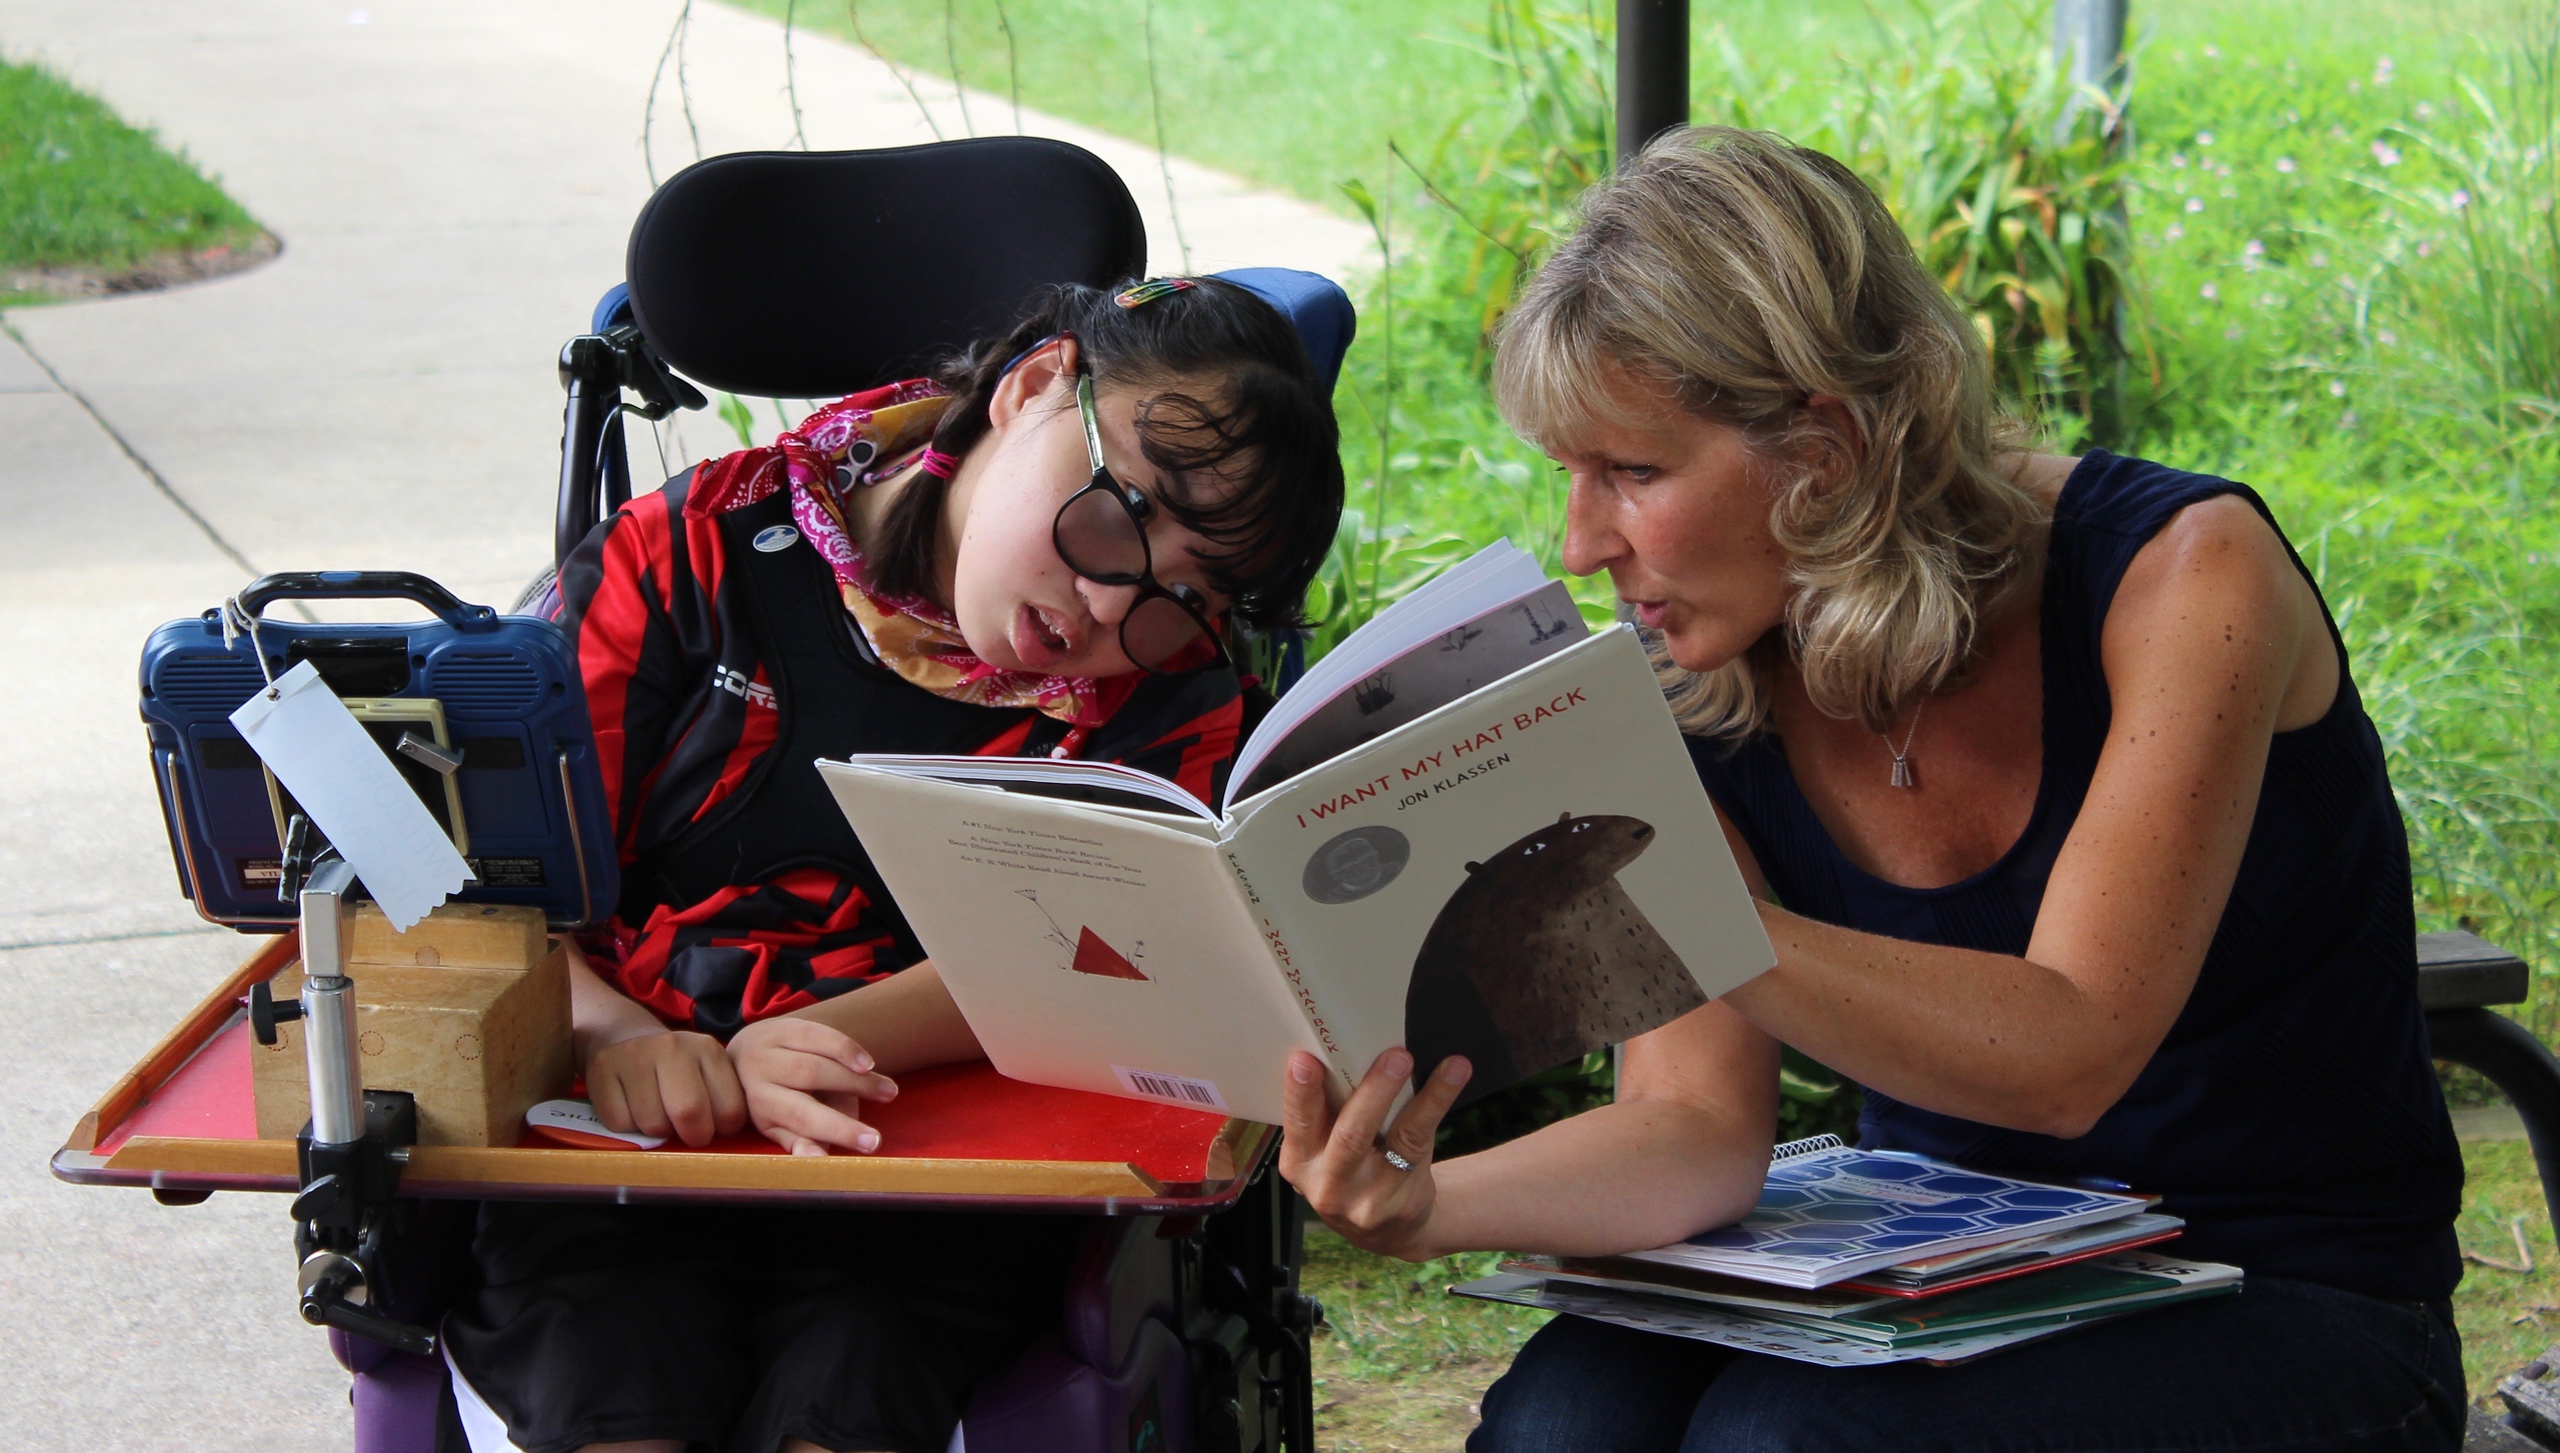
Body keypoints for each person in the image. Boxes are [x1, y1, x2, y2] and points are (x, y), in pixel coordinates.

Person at [1277, 126, 2468, 1452]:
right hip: (1952, 1268)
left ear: (1826, 448)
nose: (1581, 542)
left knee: (1785, 1442)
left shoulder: (2185, 577)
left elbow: (2070, 1048)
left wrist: (1662, 902)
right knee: (1568, 1417)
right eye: (1570, 474)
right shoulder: (1705, 666)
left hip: (2300, 1291)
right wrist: (1422, 1197)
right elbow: (1689, 1129)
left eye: (1634, 472)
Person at [439, 272, 1349, 1453]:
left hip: (947, 1180)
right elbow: (475, 885)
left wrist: (820, 1045)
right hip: (619, 1155)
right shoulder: (684, 558)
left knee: (856, 1376)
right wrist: (621, 1037)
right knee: (614, 1373)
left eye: (1186, 592)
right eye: (1120, 513)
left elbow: (1074, 952)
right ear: (1031, 389)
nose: (1108, 602)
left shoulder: (1165, 703)